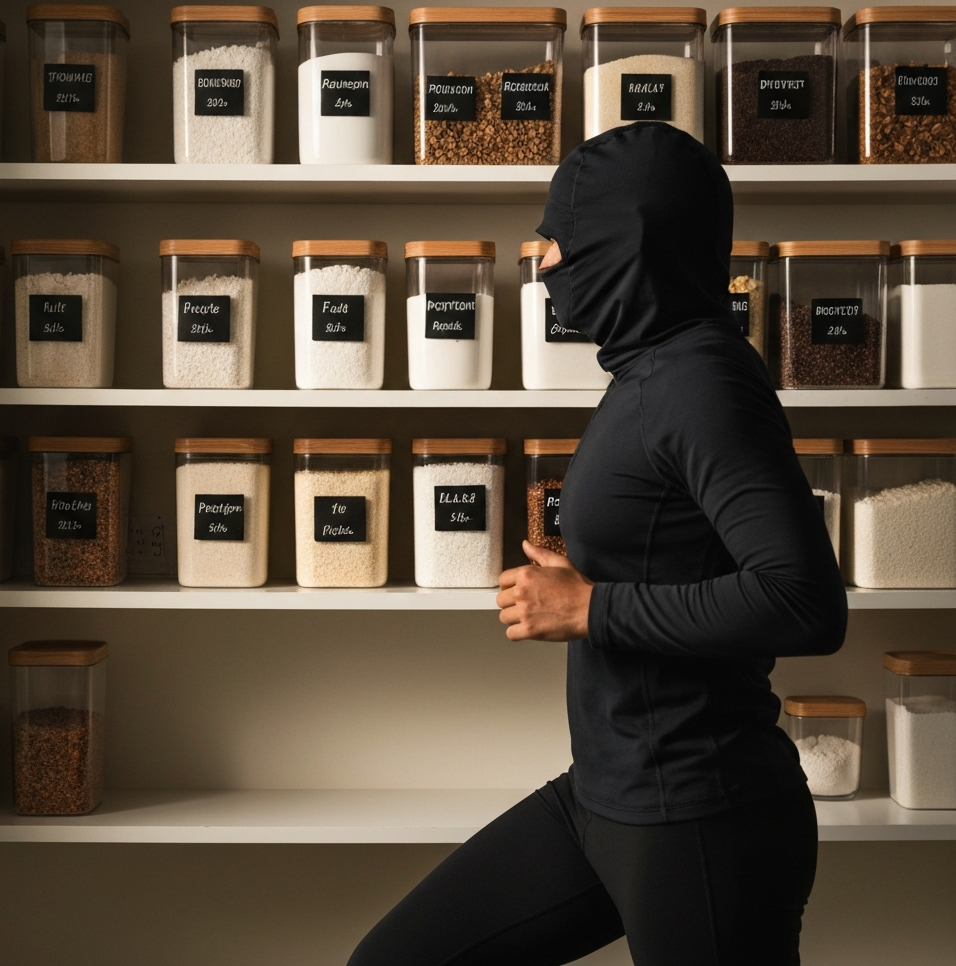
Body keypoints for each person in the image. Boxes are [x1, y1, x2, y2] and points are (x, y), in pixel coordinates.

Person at [347, 122, 847, 966]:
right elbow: (682, 547)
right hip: (605, 794)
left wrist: (591, 607)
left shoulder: (703, 381)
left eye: (557, 239)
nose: (543, 262)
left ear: (625, 242)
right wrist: (596, 577)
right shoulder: (647, 368)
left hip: (701, 811)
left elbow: (804, 603)